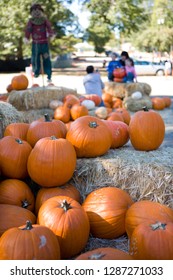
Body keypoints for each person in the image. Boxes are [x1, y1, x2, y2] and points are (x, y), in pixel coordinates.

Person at [24, 3, 55, 82]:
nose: (37, 13)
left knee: (46, 58)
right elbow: (28, 29)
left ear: (42, 12)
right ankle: (36, 72)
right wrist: (26, 37)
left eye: (38, 11)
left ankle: (49, 75)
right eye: (34, 11)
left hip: (44, 43)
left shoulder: (44, 20)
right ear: (31, 13)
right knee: (35, 59)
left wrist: (51, 34)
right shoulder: (31, 21)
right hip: (35, 44)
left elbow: (49, 27)